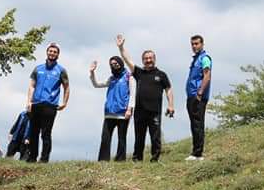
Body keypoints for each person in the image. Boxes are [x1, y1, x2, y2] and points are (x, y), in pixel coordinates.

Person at [116, 34, 175, 162]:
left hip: (155, 111)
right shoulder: (139, 72)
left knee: (155, 137)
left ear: (155, 59)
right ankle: (137, 159)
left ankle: (155, 159)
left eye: (150, 58)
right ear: (143, 60)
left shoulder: (161, 74)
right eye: (146, 58)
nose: (148, 60)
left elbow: (168, 89)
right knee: (139, 136)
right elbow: (127, 60)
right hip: (140, 111)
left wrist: (171, 105)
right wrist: (121, 47)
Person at [25, 42, 70, 163]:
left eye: (55, 52)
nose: (52, 53)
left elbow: (66, 87)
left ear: (58, 55)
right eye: (50, 51)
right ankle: (31, 158)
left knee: (45, 133)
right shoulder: (38, 68)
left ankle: (44, 159)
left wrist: (65, 103)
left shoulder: (61, 70)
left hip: (50, 106)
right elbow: (31, 86)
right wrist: (29, 101)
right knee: (33, 132)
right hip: (35, 104)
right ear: (47, 52)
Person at [89, 56, 136, 161]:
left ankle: (120, 160)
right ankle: (103, 160)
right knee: (105, 138)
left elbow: (133, 94)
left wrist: (129, 109)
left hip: (123, 113)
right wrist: (92, 73)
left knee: (121, 138)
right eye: (112, 64)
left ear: (121, 63)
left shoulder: (129, 77)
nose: (114, 66)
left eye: (116, 63)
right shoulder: (111, 78)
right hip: (109, 112)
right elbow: (97, 85)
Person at [186, 35, 212, 161]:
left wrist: (200, 92)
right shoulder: (195, 59)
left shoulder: (205, 58)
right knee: (194, 124)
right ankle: (195, 151)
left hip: (198, 97)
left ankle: (198, 153)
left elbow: (207, 76)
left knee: (198, 124)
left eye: (196, 43)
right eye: (192, 44)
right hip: (191, 96)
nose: (194, 46)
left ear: (202, 44)